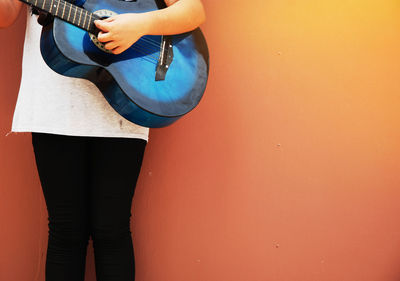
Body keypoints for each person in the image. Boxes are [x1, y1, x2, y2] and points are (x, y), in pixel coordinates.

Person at [0, 0, 206, 280]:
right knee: (65, 231)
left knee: (112, 229)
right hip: (54, 100)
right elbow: (6, 16)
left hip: (129, 94)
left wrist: (139, 26)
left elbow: (193, 10)